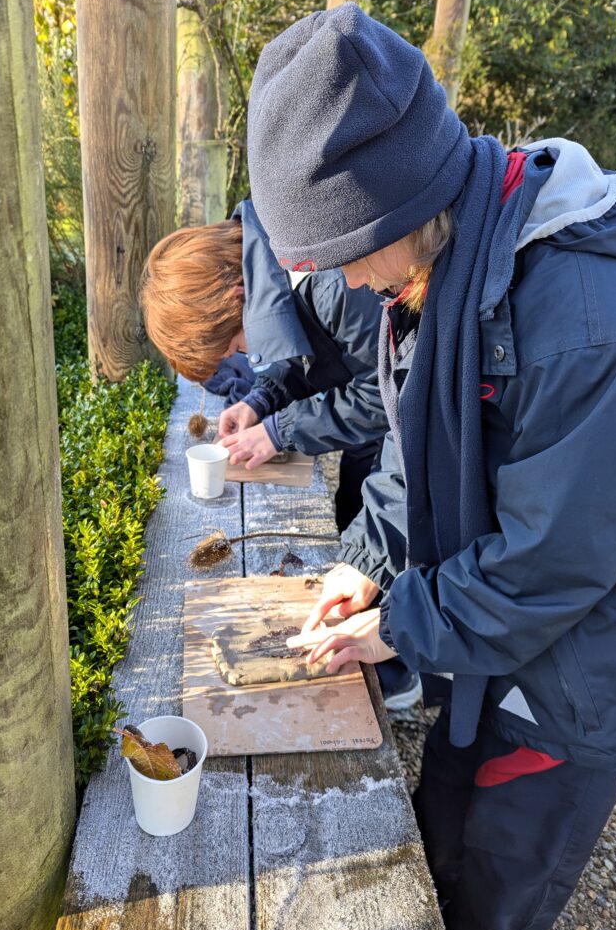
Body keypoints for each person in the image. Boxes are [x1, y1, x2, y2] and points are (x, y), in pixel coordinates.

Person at [246, 2, 616, 930]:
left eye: (342, 259)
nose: (346, 288)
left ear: (396, 207)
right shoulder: (438, 265)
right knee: (440, 821)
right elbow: (412, 443)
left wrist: (396, 621)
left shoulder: (585, 320)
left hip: (576, 678)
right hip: (493, 640)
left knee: (488, 893)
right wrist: (370, 559)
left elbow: (551, 562)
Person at [139, 199, 421, 710]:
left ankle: (402, 665)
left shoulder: (337, 285)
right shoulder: (275, 271)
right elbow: (304, 349)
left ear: (236, 297)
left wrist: (279, 430)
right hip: (383, 430)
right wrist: (260, 400)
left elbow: (387, 395)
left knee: (383, 522)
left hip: (403, 436)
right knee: (358, 522)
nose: (242, 356)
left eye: (233, 346)